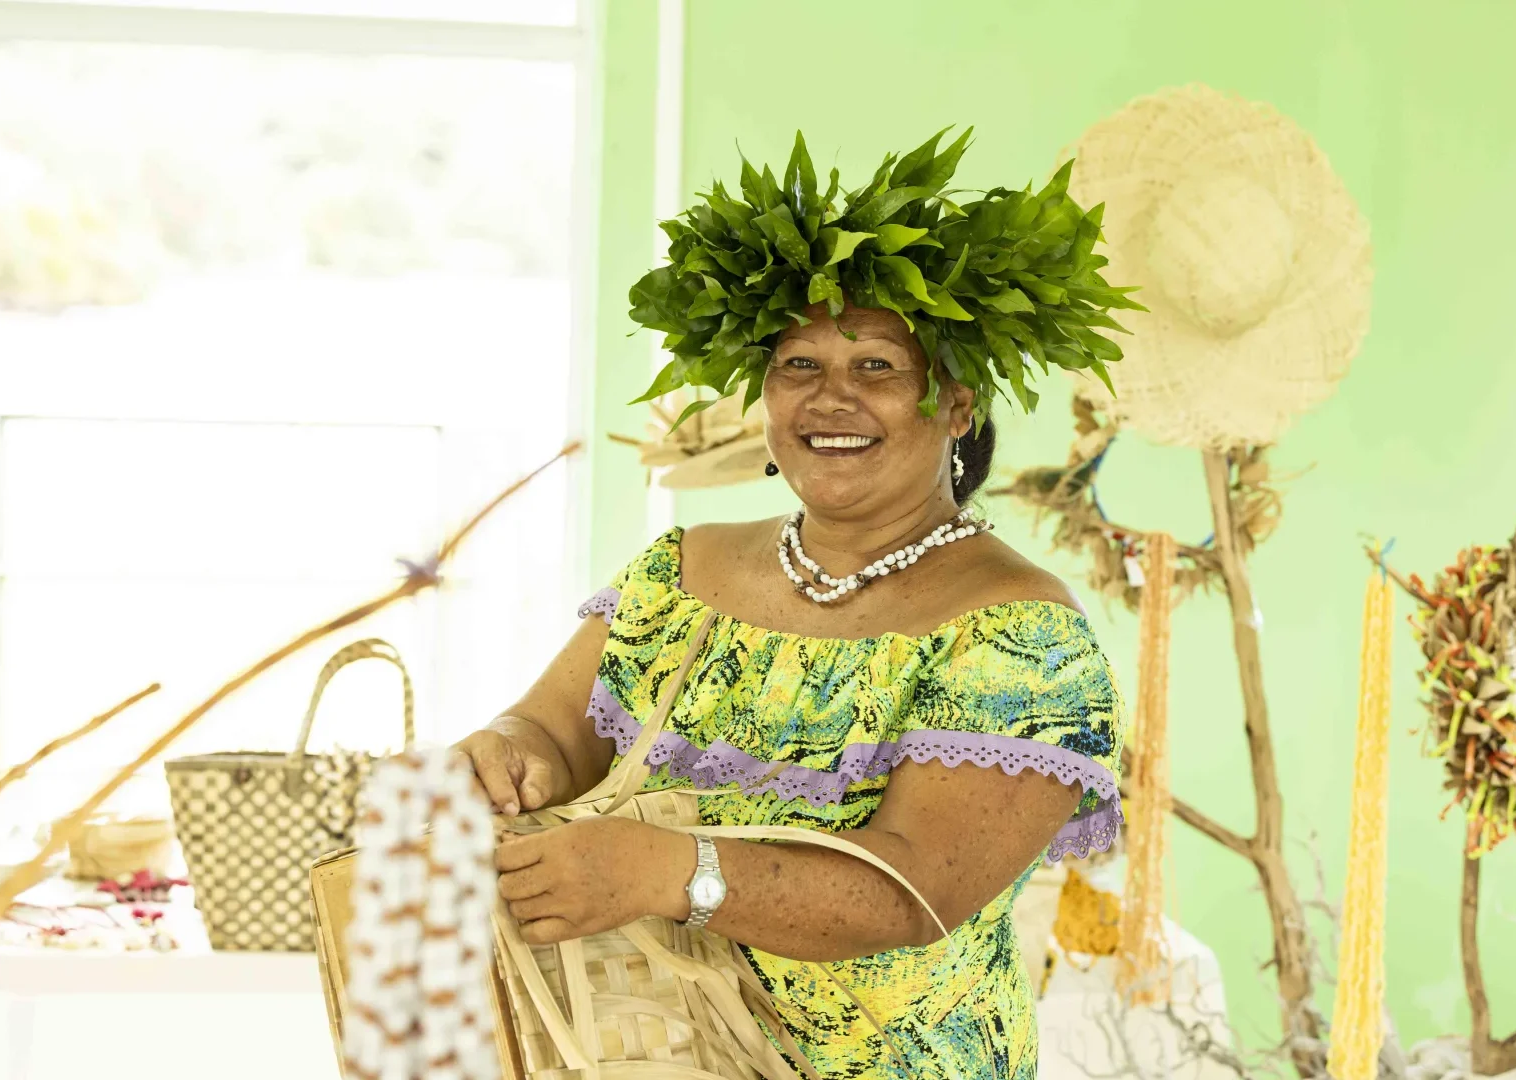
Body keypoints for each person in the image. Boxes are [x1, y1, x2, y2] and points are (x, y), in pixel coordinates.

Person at [453, 130, 1136, 1079]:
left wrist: (663, 871)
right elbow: (556, 733)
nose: (831, 399)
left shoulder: (1020, 635)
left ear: (958, 402)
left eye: (877, 369)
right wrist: (507, 752)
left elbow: (915, 892)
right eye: (799, 366)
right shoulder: (682, 569)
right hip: (646, 1052)